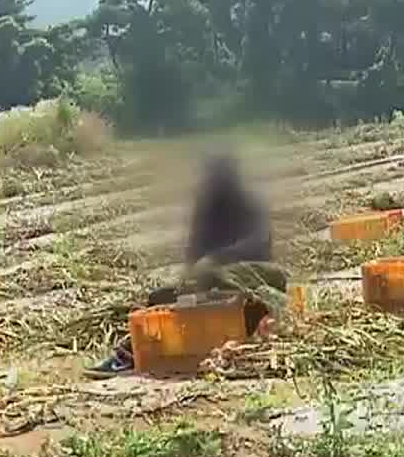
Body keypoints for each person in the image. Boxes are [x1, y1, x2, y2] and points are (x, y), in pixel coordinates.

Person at [87, 155, 289, 377]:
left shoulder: (250, 205)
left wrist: (214, 261)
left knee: (212, 280)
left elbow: (258, 242)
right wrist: (190, 280)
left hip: (257, 277)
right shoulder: (207, 211)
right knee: (160, 297)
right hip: (215, 286)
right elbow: (195, 254)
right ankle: (133, 353)